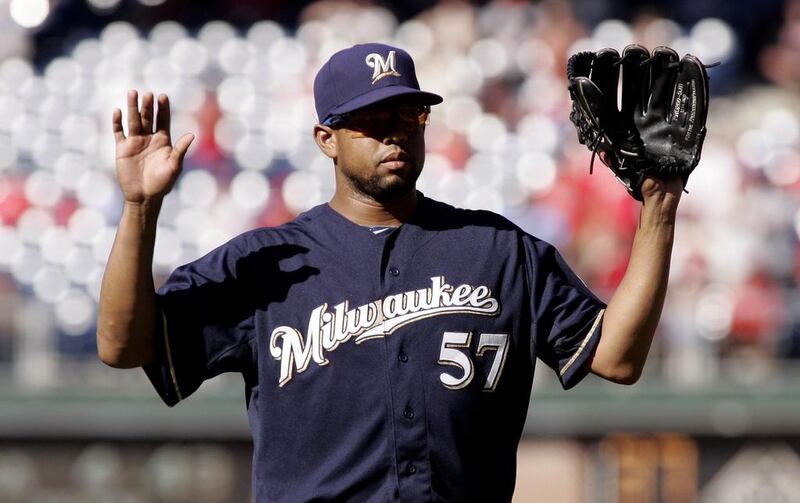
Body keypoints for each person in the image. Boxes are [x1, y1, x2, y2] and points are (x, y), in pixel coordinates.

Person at [97, 42, 683, 502]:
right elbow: (123, 347)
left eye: (409, 114)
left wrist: (658, 205)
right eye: (372, 120)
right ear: (327, 139)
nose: (395, 130)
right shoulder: (266, 263)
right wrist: (140, 209)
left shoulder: (500, 251)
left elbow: (618, 358)